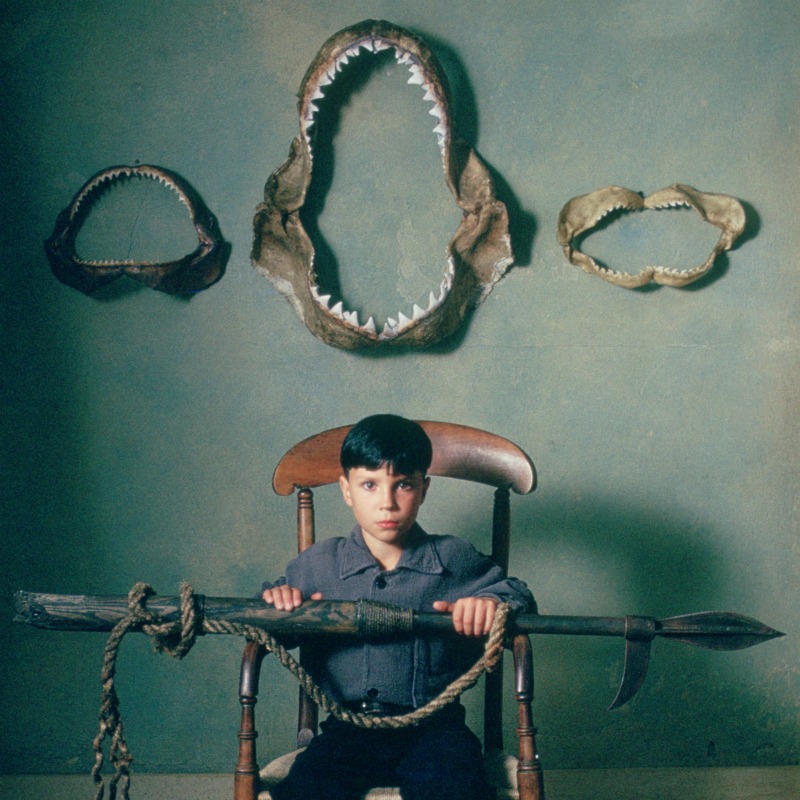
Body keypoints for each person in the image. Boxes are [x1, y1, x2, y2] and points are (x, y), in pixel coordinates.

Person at [262, 414, 535, 800]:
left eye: (403, 484)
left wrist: (491, 603)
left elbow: (518, 595)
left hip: (436, 730)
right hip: (347, 730)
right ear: (346, 489)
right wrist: (278, 604)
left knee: (454, 790)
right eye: (370, 485)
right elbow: (269, 619)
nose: (387, 503)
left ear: (423, 489)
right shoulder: (318, 565)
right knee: (307, 791)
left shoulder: (453, 559)